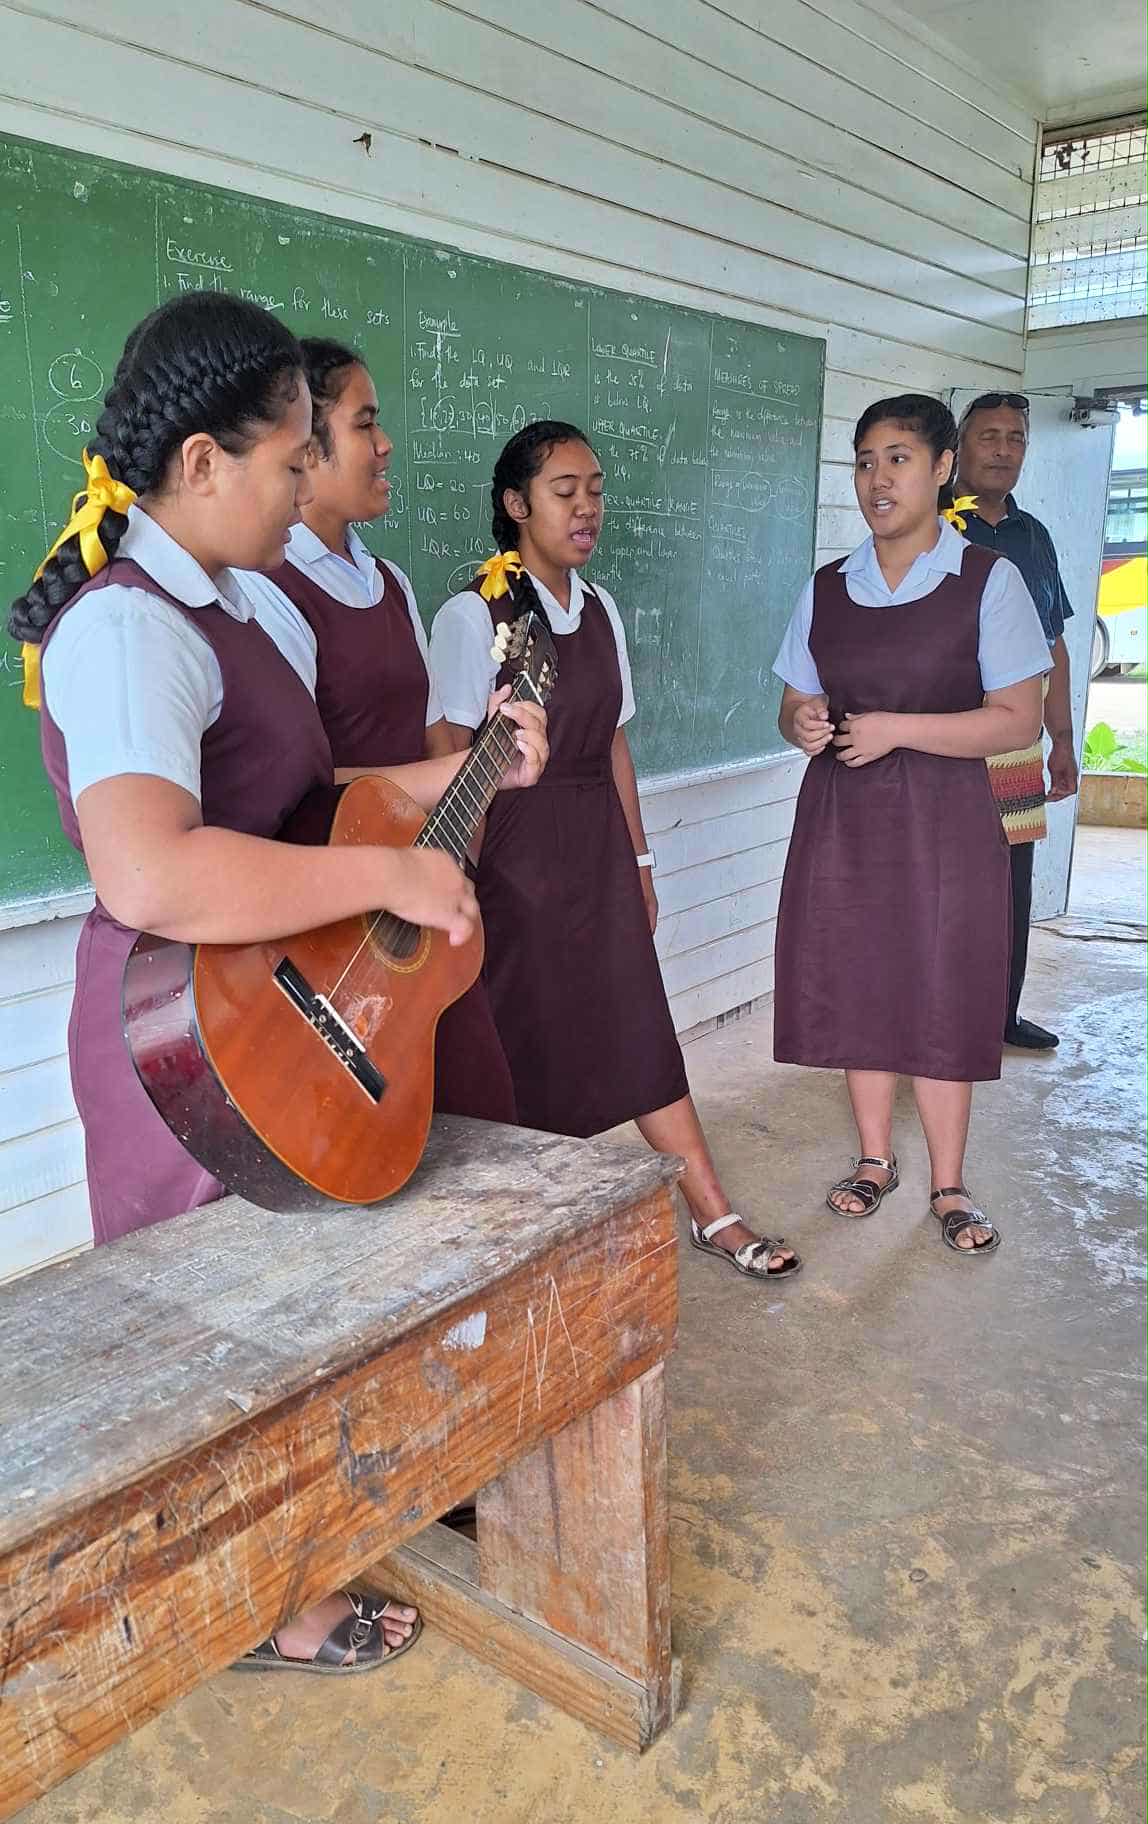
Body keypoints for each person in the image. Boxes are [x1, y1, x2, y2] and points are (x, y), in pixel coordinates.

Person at [7, 291, 547, 1672]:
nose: (311, 479)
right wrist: (387, 877)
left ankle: (289, 1554)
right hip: (180, 1038)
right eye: (293, 454)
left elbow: (314, 793)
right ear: (201, 463)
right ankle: (250, 1610)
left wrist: (468, 767)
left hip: (278, 1018)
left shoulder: (252, 608)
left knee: (290, 1313)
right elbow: (152, 874)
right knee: (205, 1335)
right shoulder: (129, 630)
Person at [429, 421, 800, 1281]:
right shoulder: (471, 614)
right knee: (521, 1041)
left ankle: (712, 1211)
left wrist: (639, 863)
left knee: (638, 1027)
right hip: (512, 858)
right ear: (516, 504)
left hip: (596, 848)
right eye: (565, 492)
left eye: (595, 490)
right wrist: (457, 883)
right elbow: (448, 753)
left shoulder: (600, 610)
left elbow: (615, 745)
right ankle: (521, 1244)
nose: (587, 508)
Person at [772, 394, 1049, 1256]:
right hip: (846, 818)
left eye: (898, 459)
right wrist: (802, 722)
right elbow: (793, 700)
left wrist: (897, 729)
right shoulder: (828, 586)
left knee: (942, 985)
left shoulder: (987, 581)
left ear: (941, 469)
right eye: (865, 462)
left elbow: (1017, 720)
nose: (878, 479)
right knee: (862, 976)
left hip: (948, 822)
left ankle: (949, 1183)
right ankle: (873, 1159)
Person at [240, 336, 517, 1124]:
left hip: (423, 899)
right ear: (306, 446)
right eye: (365, 424)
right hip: (338, 929)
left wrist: (464, 826)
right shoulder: (267, 591)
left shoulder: (390, 582)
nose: (386, 443)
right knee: (376, 1125)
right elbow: (292, 795)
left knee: (479, 1109)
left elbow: (432, 738)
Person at [954, 392, 1078, 1052]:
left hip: (1017, 745)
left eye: (1016, 438)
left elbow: (1052, 642)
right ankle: (933, 1021)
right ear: (958, 448)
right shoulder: (934, 523)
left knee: (1010, 882)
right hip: (944, 735)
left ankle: (1001, 1016)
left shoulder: (1034, 536)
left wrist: (1062, 738)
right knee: (943, 880)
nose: (1004, 450)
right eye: (989, 436)